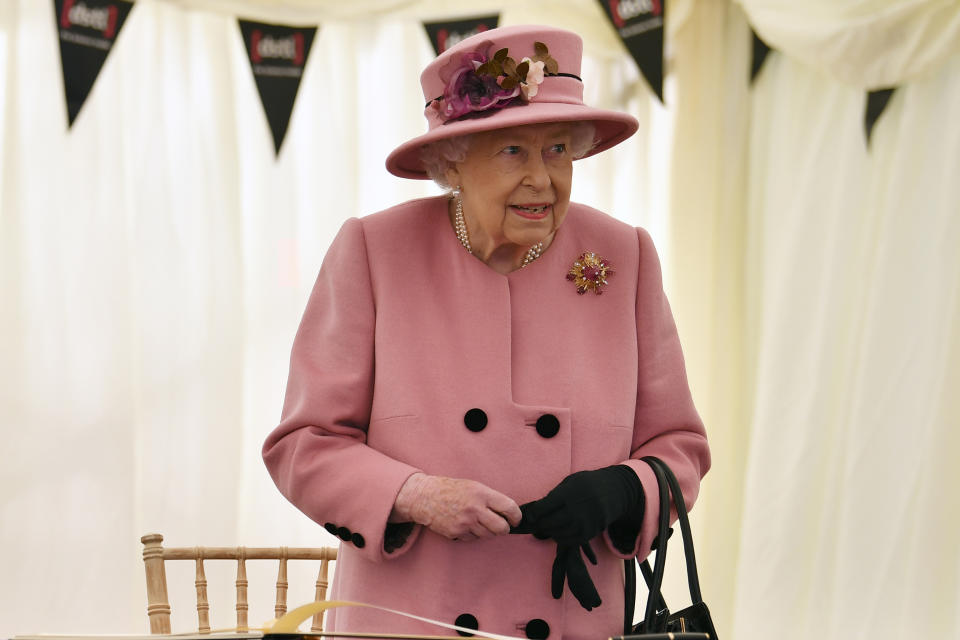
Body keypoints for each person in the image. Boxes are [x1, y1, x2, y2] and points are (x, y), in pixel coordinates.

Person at [262, 24, 709, 640]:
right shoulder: (375, 251)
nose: (542, 179)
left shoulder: (623, 255)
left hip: (571, 620)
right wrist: (413, 495)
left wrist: (623, 491)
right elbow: (303, 445)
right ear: (453, 163)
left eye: (557, 150)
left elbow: (678, 444)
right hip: (411, 616)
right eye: (513, 152)